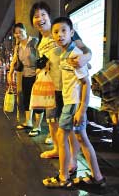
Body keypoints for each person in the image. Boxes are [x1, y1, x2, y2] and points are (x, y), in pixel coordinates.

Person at [43, 17, 105, 188]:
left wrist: (81, 110)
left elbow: (86, 83)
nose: (59, 35)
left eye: (64, 31)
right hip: (72, 103)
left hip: (73, 104)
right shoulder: (65, 53)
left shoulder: (74, 54)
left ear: (72, 33)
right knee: (81, 138)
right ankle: (98, 178)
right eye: (56, 32)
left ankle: (63, 178)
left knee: (62, 137)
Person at [30, 2, 91, 165]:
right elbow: (43, 62)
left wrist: (86, 57)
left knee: (69, 127)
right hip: (51, 87)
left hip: (68, 88)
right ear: (32, 22)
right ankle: (58, 150)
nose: (40, 19)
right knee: (52, 121)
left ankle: (73, 159)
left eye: (43, 15)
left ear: (49, 17)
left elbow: (85, 50)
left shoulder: (61, 32)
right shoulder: (39, 42)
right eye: (36, 16)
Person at [7, 23, 43, 131]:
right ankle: (28, 122)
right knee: (27, 99)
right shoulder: (17, 47)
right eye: (16, 33)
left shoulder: (34, 41)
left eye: (20, 31)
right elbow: (14, 61)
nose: (18, 34)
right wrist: (10, 74)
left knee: (37, 101)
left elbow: (43, 56)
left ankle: (38, 126)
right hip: (25, 75)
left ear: (25, 31)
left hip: (37, 75)